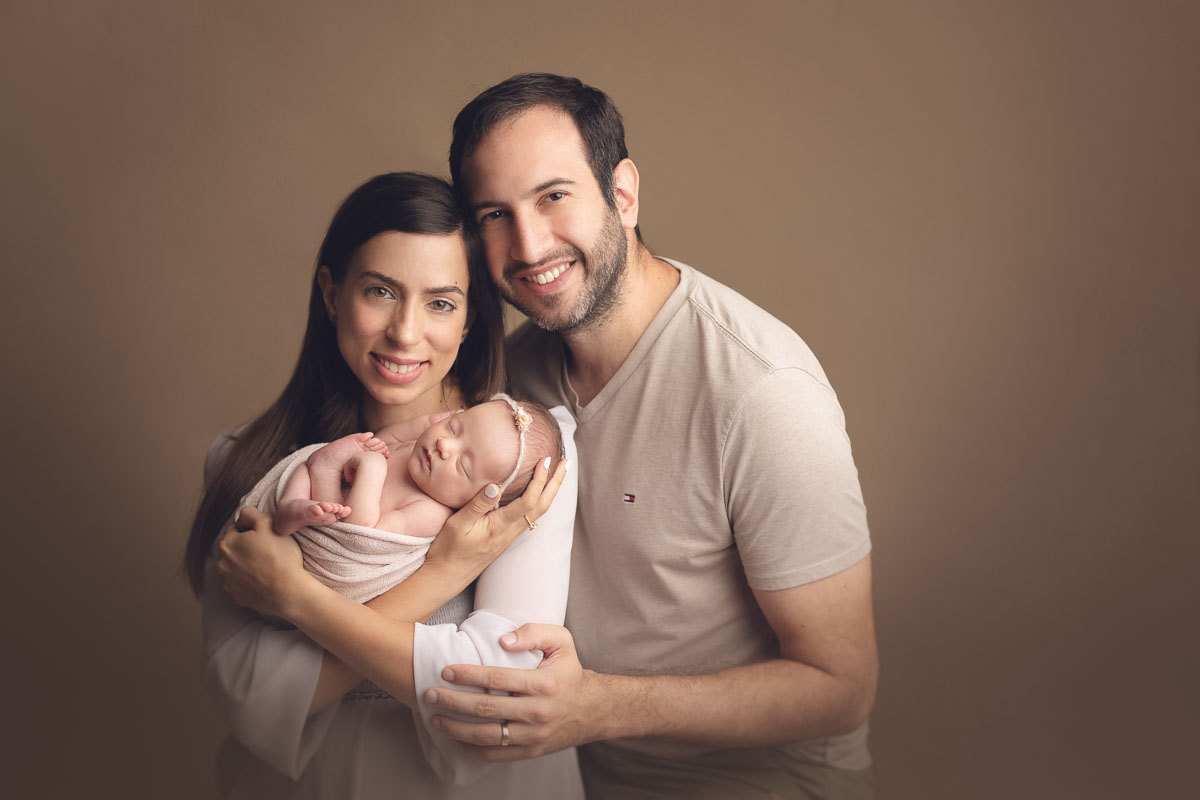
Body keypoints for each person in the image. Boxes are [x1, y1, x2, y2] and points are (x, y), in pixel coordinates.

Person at [421, 74, 879, 799]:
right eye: (494, 214)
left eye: (553, 196)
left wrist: (596, 707)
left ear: (623, 194)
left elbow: (840, 687)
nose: (529, 243)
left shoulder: (761, 389)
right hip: (567, 776)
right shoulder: (511, 383)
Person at [184, 171, 583, 798]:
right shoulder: (249, 463)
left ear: (471, 320)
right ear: (331, 293)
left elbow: (495, 698)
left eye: (441, 303)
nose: (404, 332)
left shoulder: (521, 461)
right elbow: (252, 700)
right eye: (379, 291)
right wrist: (445, 576)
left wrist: (297, 598)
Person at [260, 396, 563, 603]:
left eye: (463, 465)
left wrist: (371, 469)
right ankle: (291, 505)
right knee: (302, 467)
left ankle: (318, 478)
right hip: (317, 498)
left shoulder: (431, 512)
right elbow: (387, 439)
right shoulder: (420, 445)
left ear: (478, 499)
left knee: (320, 467)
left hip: (335, 533)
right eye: (454, 428)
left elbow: (363, 532)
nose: (445, 445)